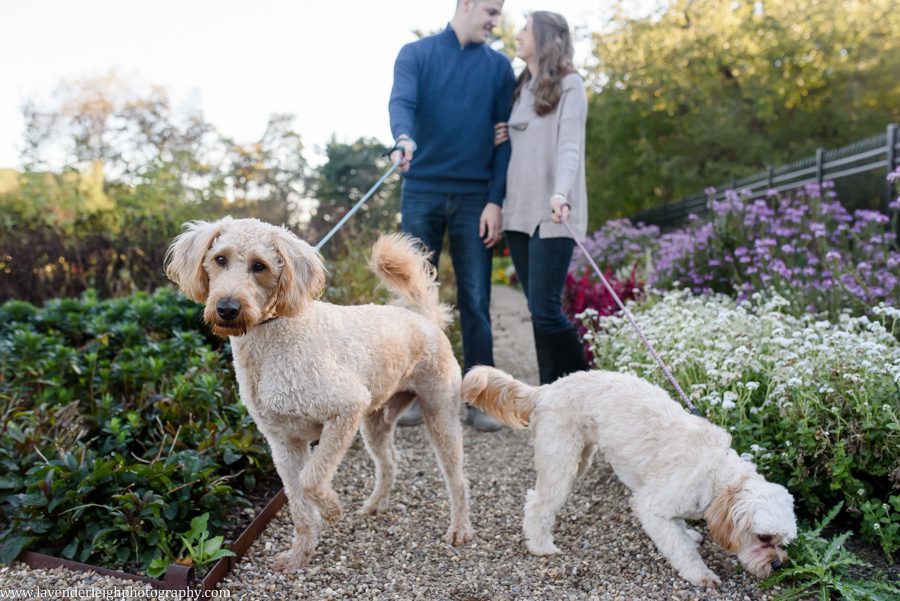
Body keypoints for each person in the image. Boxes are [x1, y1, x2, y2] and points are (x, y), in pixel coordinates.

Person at [388, 0, 515, 431]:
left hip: (475, 196)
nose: (496, 20)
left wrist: (495, 200)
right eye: (491, 10)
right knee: (416, 295)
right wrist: (402, 138)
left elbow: (504, 140)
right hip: (421, 189)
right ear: (466, 4)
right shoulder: (417, 54)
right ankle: (412, 395)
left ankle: (482, 398)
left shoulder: (499, 68)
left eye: (499, 12)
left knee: (475, 299)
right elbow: (401, 102)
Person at [496, 11, 589, 384]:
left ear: (545, 38)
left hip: (553, 211)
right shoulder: (521, 89)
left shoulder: (570, 85)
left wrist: (560, 193)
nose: (517, 35)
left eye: (524, 29)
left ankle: (587, 388)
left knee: (548, 309)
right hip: (516, 211)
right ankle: (551, 395)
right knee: (537, 310)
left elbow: (570, 146)